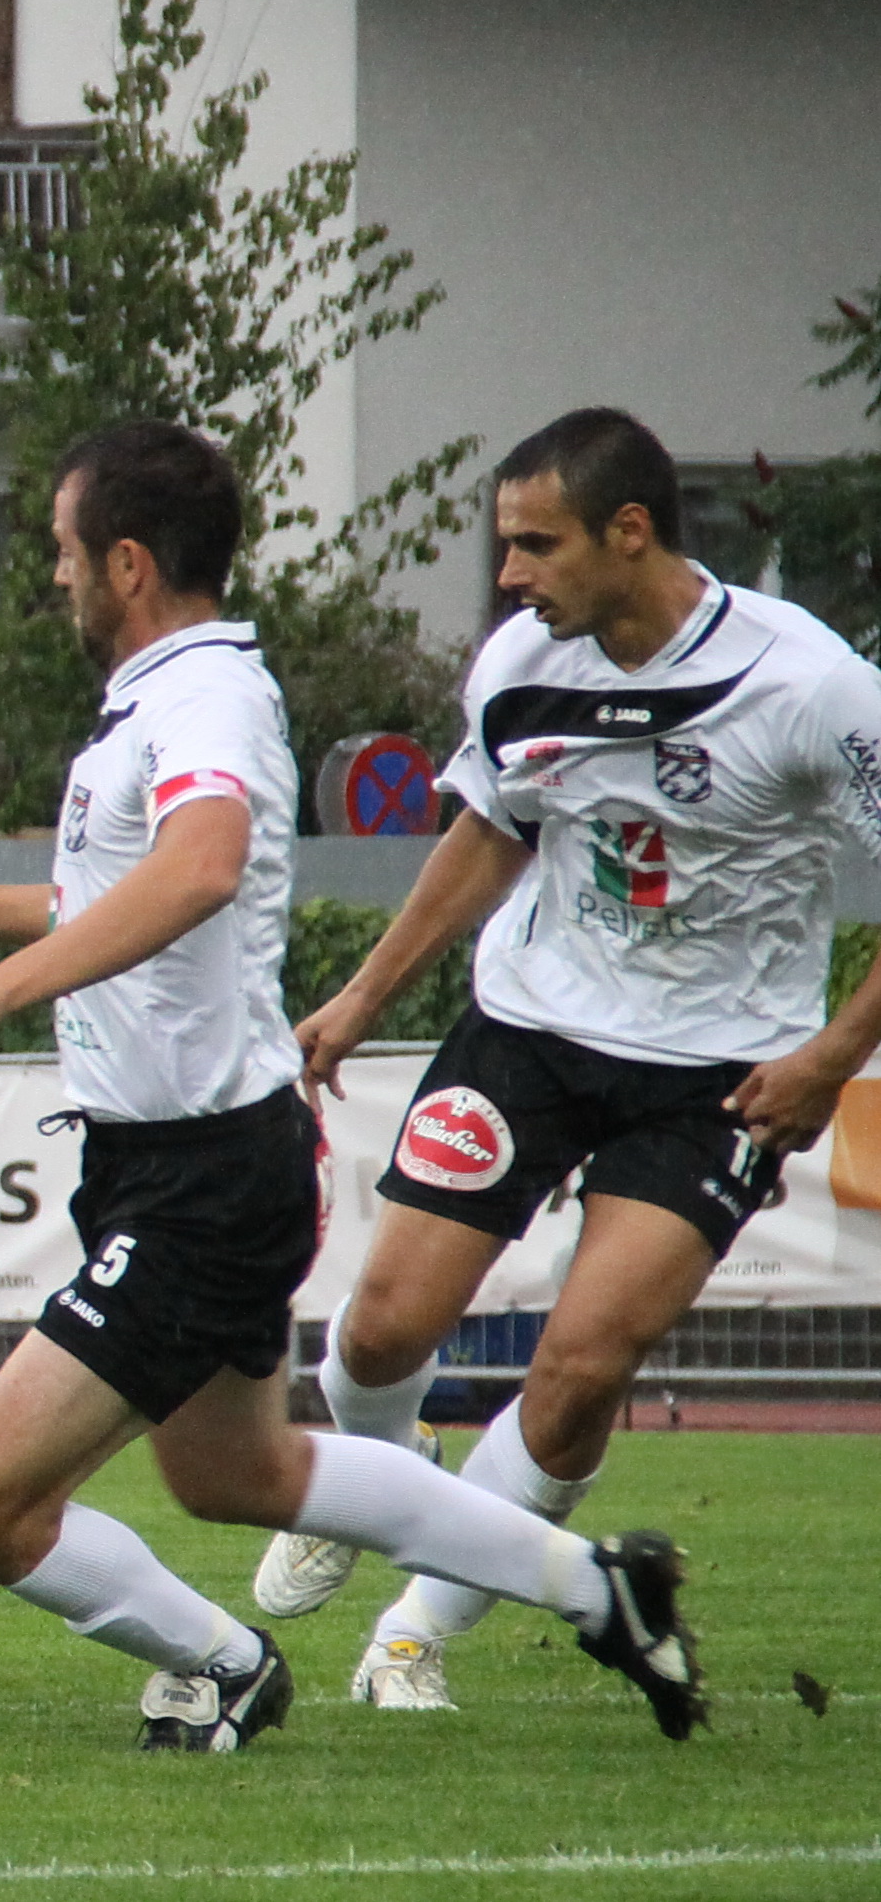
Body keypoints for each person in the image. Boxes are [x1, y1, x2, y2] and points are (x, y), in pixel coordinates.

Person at [0, 419, 707, 1751]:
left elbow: (200, 868)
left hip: (203, 1177)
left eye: (62, 551)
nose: (55, 576)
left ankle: (224, 1664)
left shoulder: (203, 697)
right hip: (174, 1160)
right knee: (244, 1472)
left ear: (125, 562)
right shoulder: (165, 696)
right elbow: (117, 891)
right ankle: (597, 1588)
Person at [256, 407, 881, 1713]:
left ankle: (412, 1634)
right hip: (529, 1030)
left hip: (715, 1075)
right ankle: (381, 1485)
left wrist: (829, 1058)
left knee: (582, 1364)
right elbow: (491, 827)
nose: (509, 575)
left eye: (535, 545)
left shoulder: (811, 685)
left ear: (628, 531)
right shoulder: (518, 662)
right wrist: (363, 994)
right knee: (380, 1327)